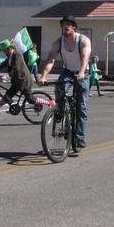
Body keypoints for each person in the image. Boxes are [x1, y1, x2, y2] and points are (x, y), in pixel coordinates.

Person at [39, 15, 91, 149]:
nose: (66, 26)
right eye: (64, 24)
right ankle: (61, 112)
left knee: (81, 106)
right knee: (59, 89)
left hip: (82, 72)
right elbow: (51, 60)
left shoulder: (83, 40)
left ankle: (79, 137)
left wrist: (81, 72)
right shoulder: (58, 42)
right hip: (68, 71)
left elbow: (85, 57)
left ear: (74, 27)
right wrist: (43, 76)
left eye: (69, 24)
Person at [0, 39, 43, 114]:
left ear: (9, 49)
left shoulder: (17, 55)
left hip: (24, 81)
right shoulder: (10, 56)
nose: (4, 53)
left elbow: (16, 69)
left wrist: (6, 77)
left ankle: (48, 103)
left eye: (4, 51)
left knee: (30, 99)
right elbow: (3, 64)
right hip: (17, 81)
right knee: (8, 95)